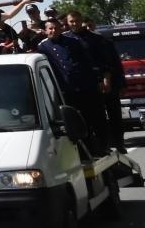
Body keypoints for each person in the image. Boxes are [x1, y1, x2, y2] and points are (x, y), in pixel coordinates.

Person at [35, 16, 109, 154]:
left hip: (84, 85)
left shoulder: (73, 42)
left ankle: (103, 146)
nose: (53, 31)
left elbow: (87, 61)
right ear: (45, 31)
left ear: (61, 29)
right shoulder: (42, 46)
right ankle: (84, 150)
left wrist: (98, 79)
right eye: (50, 29)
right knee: (75, 121)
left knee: (94, 117)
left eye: (56, 28)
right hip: (64, 90)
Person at [64, 9, 127, 152]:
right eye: (71, 21)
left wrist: (108, 79)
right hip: (84, 84)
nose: (74, 24)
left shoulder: (97, 39)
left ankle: (118, 143)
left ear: (81, 21)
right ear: (67, 23)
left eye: (77, 21)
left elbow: (109, 62)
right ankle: (96, 145)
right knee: (92, 116)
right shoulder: (65, 40)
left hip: (102, 79)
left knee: (113, 112)